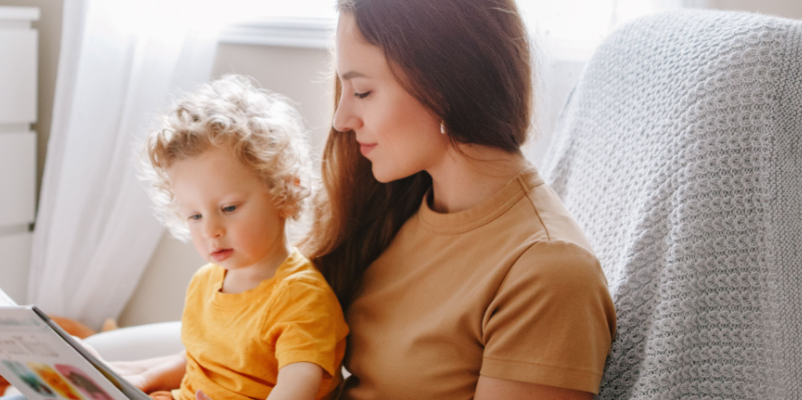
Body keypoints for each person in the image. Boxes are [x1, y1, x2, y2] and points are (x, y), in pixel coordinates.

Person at [294, 0, 618, 399]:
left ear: (445, 85)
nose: (341, 119)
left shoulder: (548, 273)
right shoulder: (399, 208)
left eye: (362, 91)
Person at [112, 74, 349, 400]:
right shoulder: (205, 283)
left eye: (229, 207)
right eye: (194, 216)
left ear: (284, 192)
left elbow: (297, 387)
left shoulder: (301, 297)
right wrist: (140, 377)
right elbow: (200, 362)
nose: (210, 230)